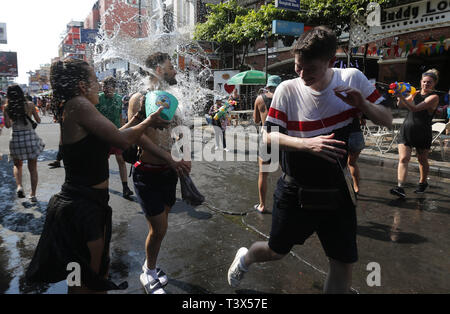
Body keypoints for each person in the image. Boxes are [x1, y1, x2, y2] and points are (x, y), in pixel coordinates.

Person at [227, 26, 392, 294]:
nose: (302, 74)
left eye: (309, 69)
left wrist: (363, 103)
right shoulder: (287, 89)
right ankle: (245, 258)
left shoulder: (352, 78)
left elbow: (386, 118)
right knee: (275, 251)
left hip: (337, 189)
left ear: (330, 62)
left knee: (342, 262)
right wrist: (307, 143)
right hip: (296, 188)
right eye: (297, 67)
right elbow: (269, 136)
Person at [25, 58, 170, 293]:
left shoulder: (76, 105)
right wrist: (149, 121)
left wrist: (137, 118)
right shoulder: (79, 105)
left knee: (96, 273)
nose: (100, 85)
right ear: (82, 85)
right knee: (84, 280)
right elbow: (122, 141)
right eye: (95, 80)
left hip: (90, 203)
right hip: (81, 207)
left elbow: (113, 137)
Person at [128, 52, 191, 294]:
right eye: (171, 66)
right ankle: (149, 272)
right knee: (159, 228)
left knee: (161, 226)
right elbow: (138, 135)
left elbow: (180, 129)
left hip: (168, 172)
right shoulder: (140, 98)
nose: (175, 71)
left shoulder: (171, 98)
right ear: (157, 69)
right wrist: (170, 158)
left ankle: (149, 265)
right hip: (147, 173)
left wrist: (184, 155)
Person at [389, 69, 440, 198]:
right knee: (403, 158)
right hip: (407, 130)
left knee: (422, 160)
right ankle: (400, 187)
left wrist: (402, 97)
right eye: (424, 82)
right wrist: (399, 94)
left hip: (423, 132)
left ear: (434, 84)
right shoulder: (415, 92)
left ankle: (423, 183)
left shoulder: (434, 97)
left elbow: (414, 108)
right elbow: (400, 105)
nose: (426, 84)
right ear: (420, 82)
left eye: (429, 82)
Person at [3, 85, 45, 202]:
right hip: (30, 138)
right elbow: (38, 120)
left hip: (16, 138)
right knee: (33, 168)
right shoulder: (30, 105)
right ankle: (33, 194)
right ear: (21, 93)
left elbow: (7, 125)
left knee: (17, 165)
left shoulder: (7, 107)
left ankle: (19, 186)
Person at [96, 76, 134, 199]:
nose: (105, 89)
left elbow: (121, 116)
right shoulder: (98, 98)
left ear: (113, 88)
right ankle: (103, 187)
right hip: (102, 135)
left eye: (108, 87)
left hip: (116, 132)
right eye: (104, 87)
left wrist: (124, 131)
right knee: (102, 162)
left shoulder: (118, 99)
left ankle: (125, 187)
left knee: (121, 159)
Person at [252, 75, 282, 213]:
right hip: (282, 137)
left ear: (268, 85)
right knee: (288, 172)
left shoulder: (260, 99)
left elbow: (256, 120)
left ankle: (262, 205)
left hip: (266, 136)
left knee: (263, 174)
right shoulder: (283, 98)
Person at [347, 117, 366, 195]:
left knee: (340, 164)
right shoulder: (353, 104)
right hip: (356, 134)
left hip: (341, 133)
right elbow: (363, 122)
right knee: (352, 163)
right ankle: (356, 187)